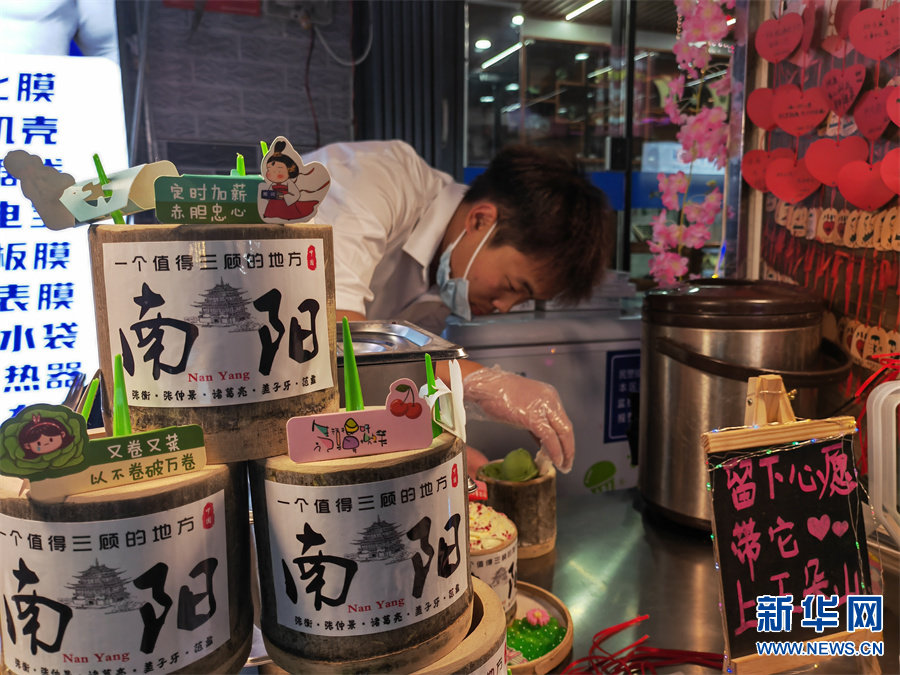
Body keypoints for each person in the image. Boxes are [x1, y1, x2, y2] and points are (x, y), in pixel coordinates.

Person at [306, 140, 613, 476]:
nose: (503, 307)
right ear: (481, 220)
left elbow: (390, 391)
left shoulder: (443, 285)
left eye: (523, 301)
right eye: (513, 286)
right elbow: (336, 337)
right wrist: (482, 382)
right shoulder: (376, 180)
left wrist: (447, 448)